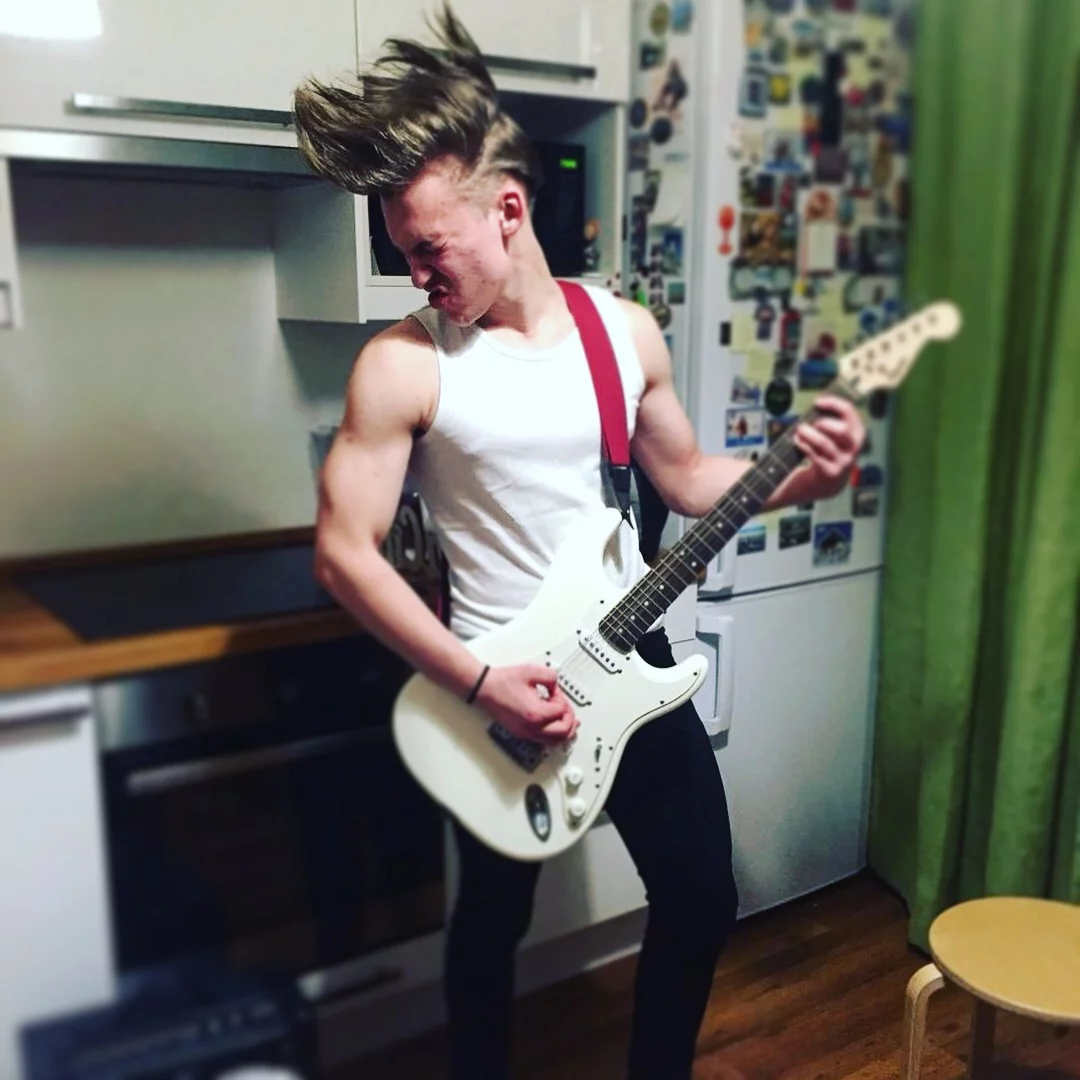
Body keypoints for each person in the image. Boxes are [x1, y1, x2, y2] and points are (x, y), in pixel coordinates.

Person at [293, 7, 865, 1078]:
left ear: (506, 210)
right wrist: (480, 683)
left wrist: (802, 476)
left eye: (428, 248)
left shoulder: (621, 332)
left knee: (701, 895)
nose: (417, 274)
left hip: (630, 657)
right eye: (404, 254)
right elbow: (344, 553)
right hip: (492, 689)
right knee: (490, 925)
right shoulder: (406, 363)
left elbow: (687, 479)